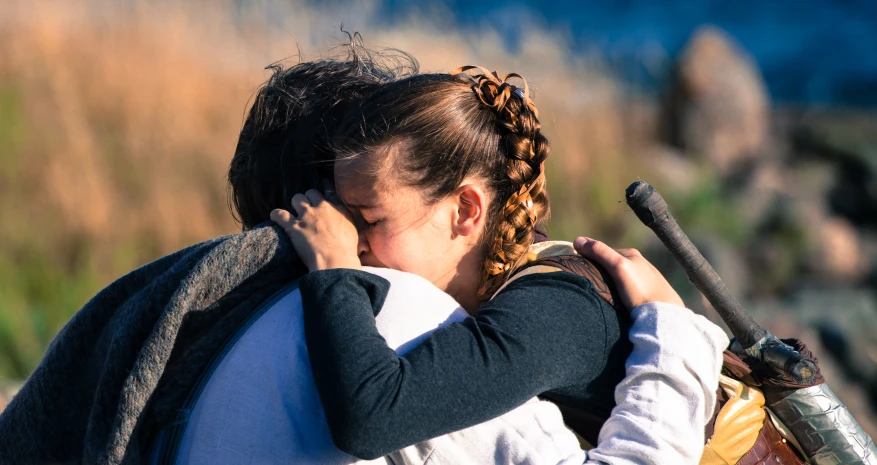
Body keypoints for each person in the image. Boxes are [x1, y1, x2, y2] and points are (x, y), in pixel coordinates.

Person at [271, 67, 726, 463]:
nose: (351, 239)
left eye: (367, 219)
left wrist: (334, 271)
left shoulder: (550, 313)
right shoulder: (499, 290)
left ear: (466, 211)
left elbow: (370, 418)